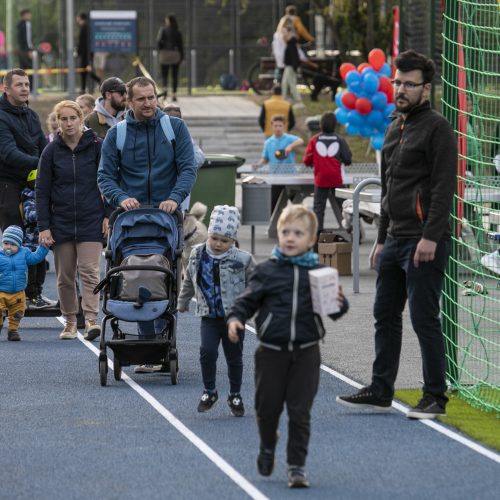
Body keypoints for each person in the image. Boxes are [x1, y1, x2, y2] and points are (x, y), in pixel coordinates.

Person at [336, 50, 458, 419]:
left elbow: (442, 189)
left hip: (424, 241)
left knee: (424, 319)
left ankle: (435, 397)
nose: (402, 89)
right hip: (395, 240)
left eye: (409, 84)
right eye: (398, 82)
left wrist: (431, 237)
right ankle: (380, 389)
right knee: (384, 315)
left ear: (426, 88)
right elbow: (388, 188)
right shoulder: (394, 126)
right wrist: (381, 239)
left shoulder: (437, 128)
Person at [227, 204, 348, 488]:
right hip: (271, 352)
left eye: (298, 233)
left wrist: (340, 303)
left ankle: (296, 466)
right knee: (267, 408)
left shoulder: (320, 273)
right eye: (285, 232)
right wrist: (235, 319)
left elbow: (334, 311)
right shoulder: (267, 271)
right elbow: (246, 301)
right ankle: (268, 446)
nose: (290, 237)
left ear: (311, 239)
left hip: (306, 351)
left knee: (299, 411)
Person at [98, 76, 197, 338]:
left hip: (168, 215)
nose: (148, 103)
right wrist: (120, 198)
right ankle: (148, 340)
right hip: (132, 217)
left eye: (151, 97)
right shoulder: (116, 134)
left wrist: (175, 197)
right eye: (141, 99)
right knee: (137, 272)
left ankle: (164, 337)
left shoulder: (174, 128)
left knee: (167, 274)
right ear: (128, 102)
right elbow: (105, 176)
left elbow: (188, 168)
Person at [36, 100, 109, 341]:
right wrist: (44, 226)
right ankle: (69, 321)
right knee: (65, 276)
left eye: (73, 118)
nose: (68, 123)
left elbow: (108, 181)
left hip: (91, 219)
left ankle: (90, 320)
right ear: (57, 122)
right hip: (61, 222)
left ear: (81, 118)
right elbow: (42, 190)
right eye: (63, 119)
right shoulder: (51, 151)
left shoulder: (97, 146)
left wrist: (108, 215)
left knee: (89, 271)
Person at [178, 205, 256, 415]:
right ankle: (210, 390)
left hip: (234, 318)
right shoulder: (198, 254)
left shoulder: (243, 259)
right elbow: (189, 281)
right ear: (208, 234)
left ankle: (235, 394)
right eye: (214, 238)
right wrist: (183, 301)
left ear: (233, 241)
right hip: (209, 316)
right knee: (207, 351)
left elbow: (256, 283)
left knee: (234, 357)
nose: (218, 244)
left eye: (225, 240)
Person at [0, 69, 47, 231]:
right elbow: (9, 154)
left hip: (34, 179)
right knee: (14, 236)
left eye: (27, 84)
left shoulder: (32, 115)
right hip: (7, 182)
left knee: (41, 231)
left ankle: (39, 257)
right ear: (5, 89)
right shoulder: (1, 116)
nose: (25, 88)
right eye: (19, 85)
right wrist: (42, 163)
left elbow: (44, 147)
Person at [303, 111, 352, 233]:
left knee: (319, 207)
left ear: (321, 125)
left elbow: (307, 160)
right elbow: (347, 158)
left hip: (321, 179)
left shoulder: (314, 140)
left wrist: (311, 163)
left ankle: (317, 233)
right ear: (335, 125)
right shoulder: (340, 140)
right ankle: (353, 230)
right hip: (336, 178)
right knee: (345, 206)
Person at [0, 225, 49, 341]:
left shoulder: (24, 253)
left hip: (18, 292)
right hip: (1, 291)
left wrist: (43, 247)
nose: (9, 247)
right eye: (6, 243)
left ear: (19, 245)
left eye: (13, 245)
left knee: (18, 312)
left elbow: (36, 258)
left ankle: (13, 330)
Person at [21, 169, 57, 309]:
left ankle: (38, 294)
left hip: (40, 244)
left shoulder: (45, 197)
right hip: (30, 243)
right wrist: (46, 212)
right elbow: (30, 215)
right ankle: (30, 296)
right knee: (32, 271)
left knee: (41, 269)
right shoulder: (29, 197)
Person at [163, 103, 205, 211]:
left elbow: (199, 157)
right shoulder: (156, 133)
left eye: (176, 118)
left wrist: (181, 161)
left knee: (179, 220)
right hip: (160, 193)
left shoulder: (184, 134)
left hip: (180, 192)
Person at [157, 14, 183, 101]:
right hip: (175, 55)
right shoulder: (177, 31)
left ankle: (165, 93)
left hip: (165, 54)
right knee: (174, 75)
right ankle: (174, 94)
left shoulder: (163, 30)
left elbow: (159, 41)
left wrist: (161, 49)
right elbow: (180, 46)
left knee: (164, 75)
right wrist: (182, 58)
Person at [75, 13, 101, 93]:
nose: (76, 19)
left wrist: (78, 51)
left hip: (85, 53)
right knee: (85, 71)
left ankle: (98, 81)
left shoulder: (84, 28)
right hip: (87, 53)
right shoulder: (86, 27)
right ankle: (84, 88)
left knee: (85, 70)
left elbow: (82, 42)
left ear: (80, 18)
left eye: (77, 17)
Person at [16, 9, 34, 81]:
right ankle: (31, 87)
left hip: (21, 50)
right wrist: (29, 50)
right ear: (24, 15)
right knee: (30, 68)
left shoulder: (19, 24)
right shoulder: (27, 24)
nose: (30, 16)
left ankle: (23, 86)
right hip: (26, 50)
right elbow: (27, 38)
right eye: (29, 14)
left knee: (23, 69)